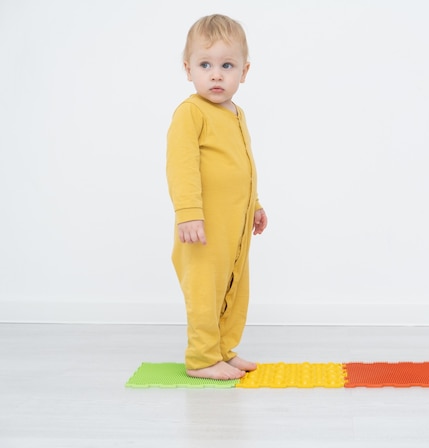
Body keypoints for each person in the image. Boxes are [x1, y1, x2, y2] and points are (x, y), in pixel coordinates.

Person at [166, 14, 267, 380]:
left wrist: (254, 204)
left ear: (244, 71)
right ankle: (202, 358)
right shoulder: (191, 113)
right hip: (202, 229)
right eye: (205, 65)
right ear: (188, 68)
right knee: (205, 294)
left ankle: (224, 350)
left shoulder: (236, 114)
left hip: (233, 229)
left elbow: (242, 166)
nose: (216, 74)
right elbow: (182, 166)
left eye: (227, 65)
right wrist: (189, 212)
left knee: (234, 290)